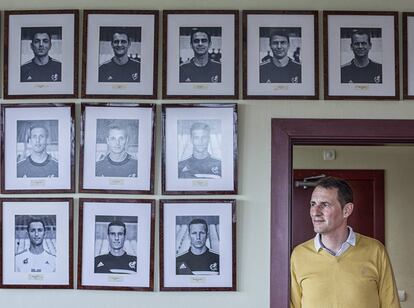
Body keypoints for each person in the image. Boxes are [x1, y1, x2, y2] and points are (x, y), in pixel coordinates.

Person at [290, 177, 400, 308]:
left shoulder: (375, 250)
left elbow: (391, 305)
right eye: (313, 204)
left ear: (346, 210)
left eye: (325, 205)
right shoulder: (299, 255)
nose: (315, 212)